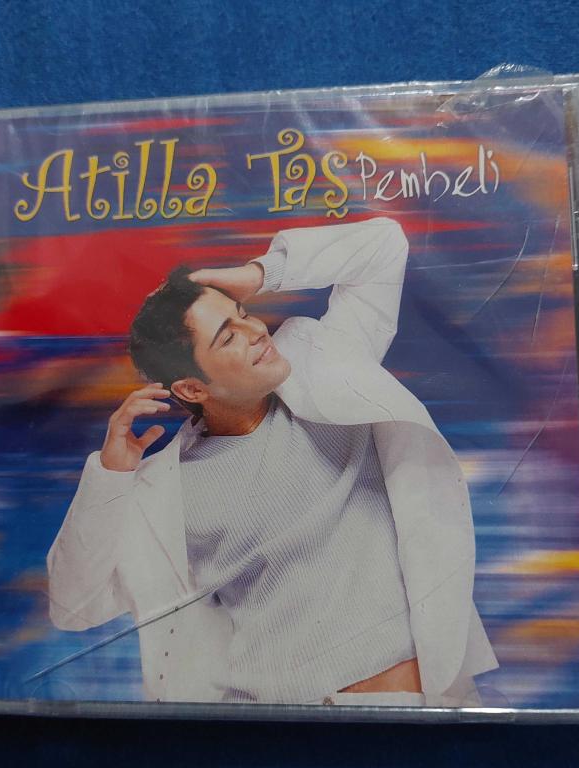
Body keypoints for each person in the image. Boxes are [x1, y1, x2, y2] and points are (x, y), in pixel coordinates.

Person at [46, 216, 498, 706]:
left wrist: (261, 273)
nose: (256, 330)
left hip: (421, 704)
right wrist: (110, 476)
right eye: (227, 337)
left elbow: (382, 245)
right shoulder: (165, 489)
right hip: (276, 723)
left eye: (244, 314)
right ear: (192, 388)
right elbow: (74, 607)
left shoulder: (329, 370)